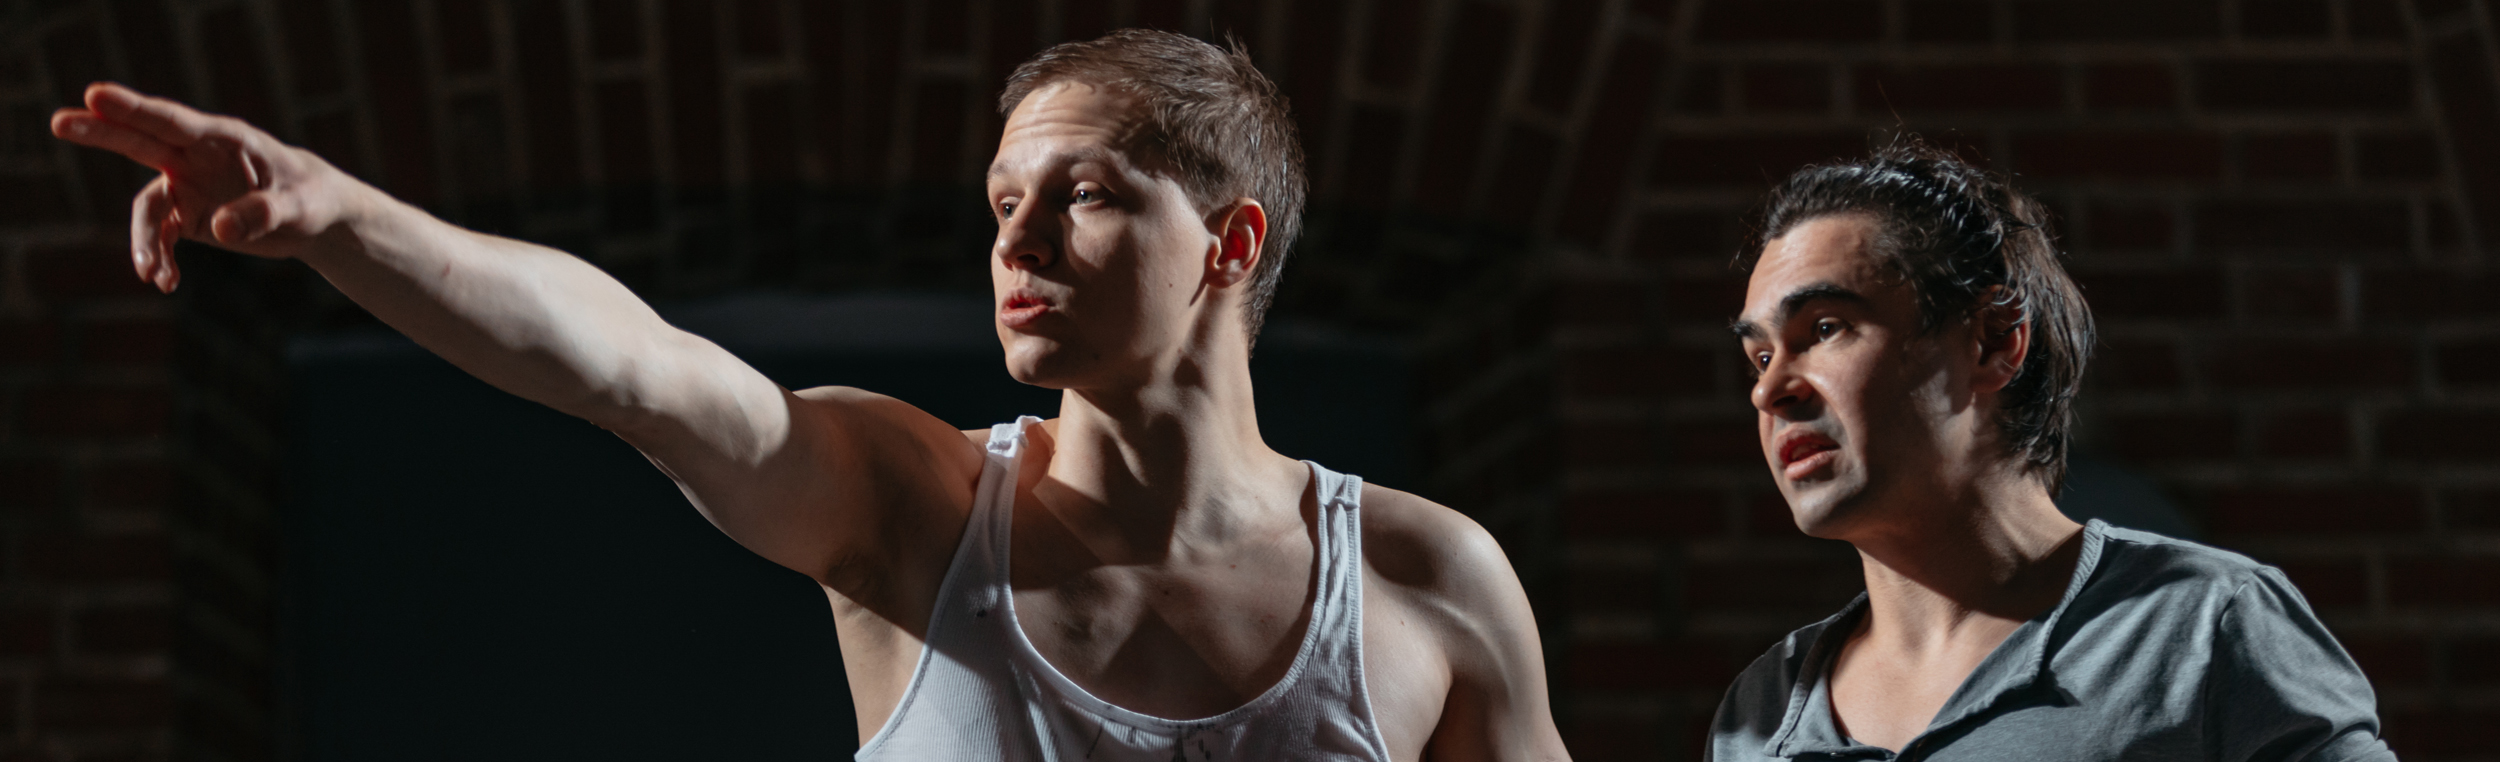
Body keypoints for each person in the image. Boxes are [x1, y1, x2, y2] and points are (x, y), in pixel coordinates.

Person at [51, 29, 1570, 762]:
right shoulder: (913, 509)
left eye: (1087, 193)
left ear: (1229, 244)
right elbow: (630, 367)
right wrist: (337, 214)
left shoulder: (1427, 583)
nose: (1019, 241)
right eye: (1003, 202)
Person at [1712, 143, 2395, 761]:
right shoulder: (1760, 716)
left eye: (1825, 329)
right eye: (1760, 357)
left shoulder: (2202, 628)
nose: (1769, 390)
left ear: (1992, 341)